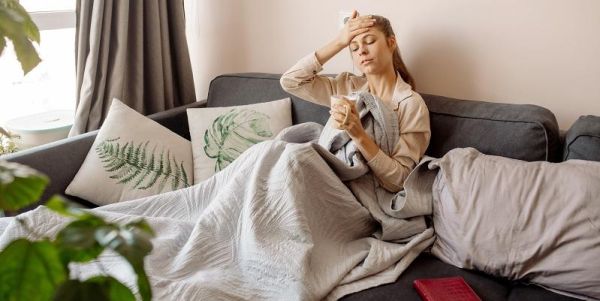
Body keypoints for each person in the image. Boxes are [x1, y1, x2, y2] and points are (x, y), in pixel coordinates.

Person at [280, 10, 431, 193]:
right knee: (273, 154)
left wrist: (358, 134)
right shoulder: (347, 87)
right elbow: (291, 81)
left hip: (356, 195)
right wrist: (339, 42)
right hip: (324, 176)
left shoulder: (411, 105)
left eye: (369, 41)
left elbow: (399, 181)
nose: (362, 51)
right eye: (354, 48)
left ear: (391, 43)